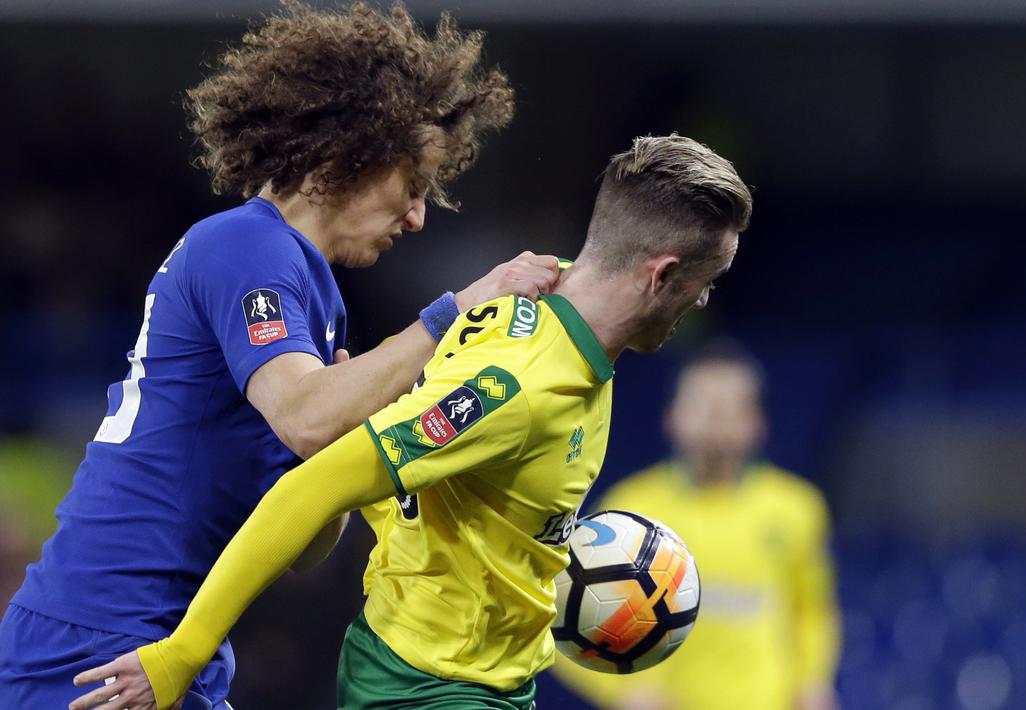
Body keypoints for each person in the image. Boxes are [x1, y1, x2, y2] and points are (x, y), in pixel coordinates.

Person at [0, 4, 562, 709]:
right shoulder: (247, 246)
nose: (417, 216)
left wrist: (342, 441)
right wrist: (454, 313)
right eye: (412, 185)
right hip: (97, 639)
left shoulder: (312, 298)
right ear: (348, 154)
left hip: (173, 644)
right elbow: (303, 415)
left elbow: (307, 547)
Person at [67, 133, 752, 710]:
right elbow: (312, 488)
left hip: (493, 678)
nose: (704, 300)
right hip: (428, 685)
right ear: (661, 275)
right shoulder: (517, 384)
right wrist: (181, 654)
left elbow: (404, 460)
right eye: (708, 280)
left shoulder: (552, 307)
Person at [552, 345, 842, 710]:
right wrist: (622, 692)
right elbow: (561, 614)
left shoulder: (796, 508)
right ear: (671, 416)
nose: (715, 418)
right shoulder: (631, 510)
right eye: (702, 404)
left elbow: (813, 611)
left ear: (757, 422)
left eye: (730, 406)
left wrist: (814, 683)